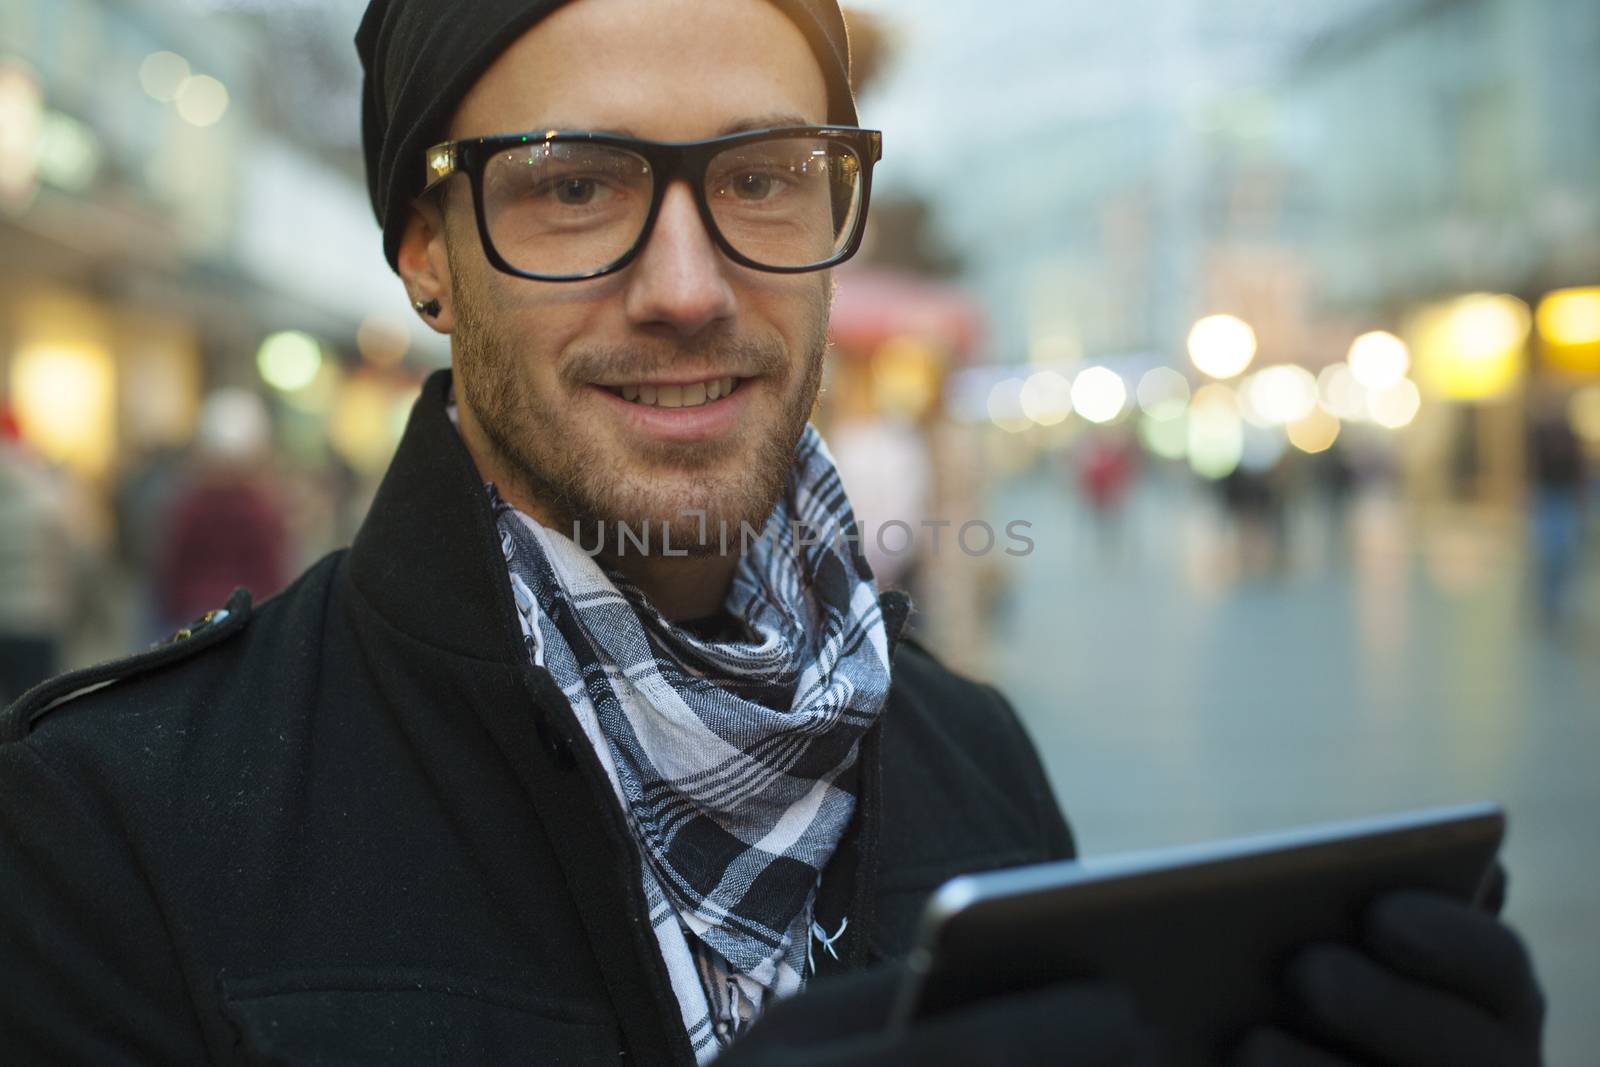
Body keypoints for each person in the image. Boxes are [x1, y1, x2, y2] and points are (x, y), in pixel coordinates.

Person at [0, 1, 1545, 1064]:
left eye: (762, 177)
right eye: (575, 185)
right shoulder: (107, 828)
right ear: (425, 248)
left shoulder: (973, 755)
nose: (687, 283)